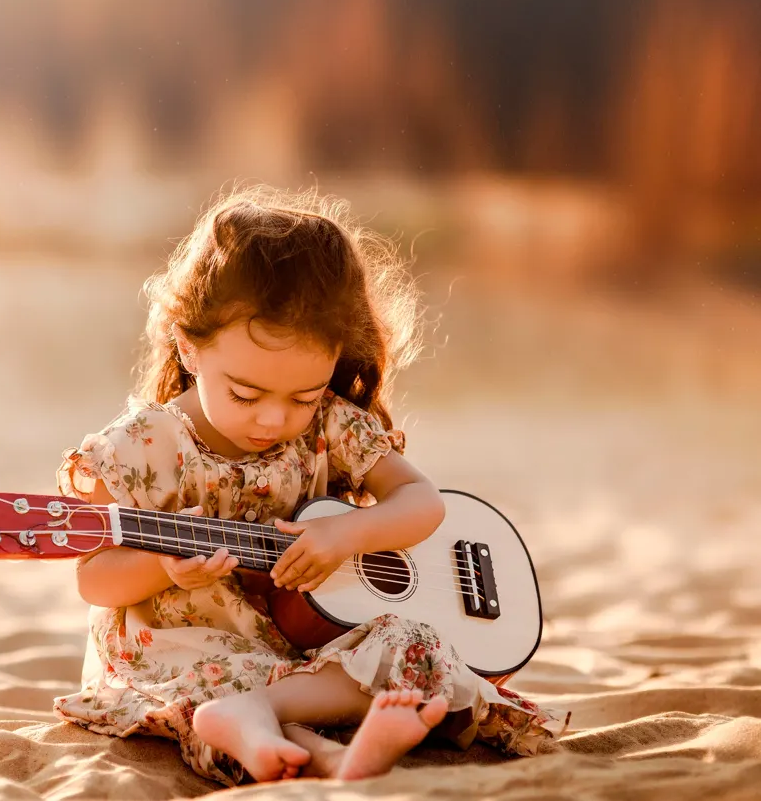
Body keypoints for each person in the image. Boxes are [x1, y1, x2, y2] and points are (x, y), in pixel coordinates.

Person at [52, 185, 570, 785]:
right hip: (184, 644)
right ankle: (307, 744)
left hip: (304, 653)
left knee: (417, 645)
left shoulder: (329, 423)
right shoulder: (141, 448)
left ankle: (273, 725)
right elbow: (94, 577)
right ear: (190, 348)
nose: (273, 419)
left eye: (300, 396)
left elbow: (422, 502)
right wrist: (165, 567)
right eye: (245, 394)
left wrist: (347, 535)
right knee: (217, 678)